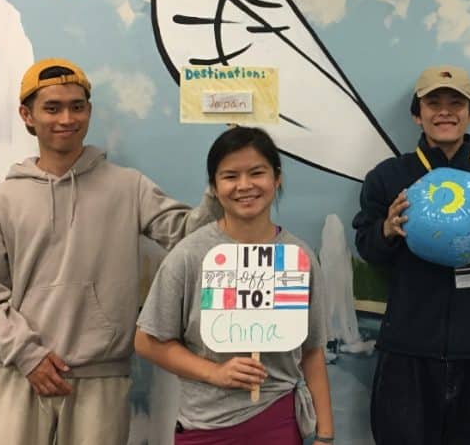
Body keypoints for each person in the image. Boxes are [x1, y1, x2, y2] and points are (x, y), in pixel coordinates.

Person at [0, 58, 218, 444]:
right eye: (52, 107)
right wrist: (27, 356)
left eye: (76, 106)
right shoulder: (2, 201)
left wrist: (223, 183)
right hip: (20, 376)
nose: (67, 118)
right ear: (26, 116)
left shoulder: (129, 188)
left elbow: (189, 236)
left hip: (102, 380)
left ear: (89, 112)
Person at [352, 65, 470, 445]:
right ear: (418, 114)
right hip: (407, 344)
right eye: (433, 103)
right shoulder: (387, 177)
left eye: (456, 103)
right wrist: (386, 229)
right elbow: (367, 249)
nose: (444, 111)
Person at [134, 126, 335, 444]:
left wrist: (325, 434)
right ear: (213, 187)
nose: (245, 186)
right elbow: (148, 341)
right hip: (205, 426)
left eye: (257, 172)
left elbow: (312, 351)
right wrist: (214, 372)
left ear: (277, 178)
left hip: (279, 420)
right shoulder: (190, 255)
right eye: (230, 176)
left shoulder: (298, 257)